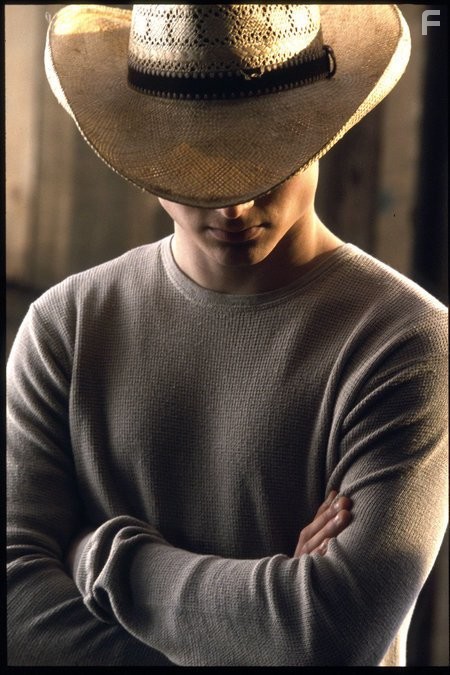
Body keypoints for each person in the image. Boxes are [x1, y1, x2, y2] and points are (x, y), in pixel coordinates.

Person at [7, 4, 448, 667]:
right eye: (195, 163)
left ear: (320, 132)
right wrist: (257, 621)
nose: (233, 206)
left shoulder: (407, 344)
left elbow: (326, 634)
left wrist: (101, 559)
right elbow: (14, 603)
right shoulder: (65, 328)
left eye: (262, 160)